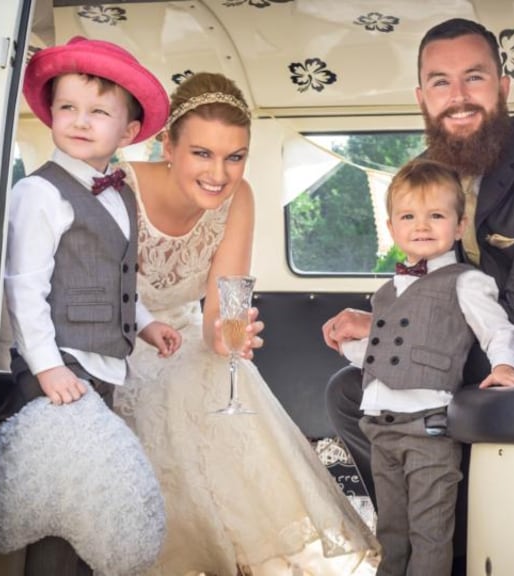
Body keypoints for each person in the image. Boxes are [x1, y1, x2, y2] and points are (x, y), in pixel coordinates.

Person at [320, 16, 514, 564]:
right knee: (354, 391)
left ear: (503, 87)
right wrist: (376, 322)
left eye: (475, 78)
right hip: (470, 338)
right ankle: (413, 530)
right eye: (440, 82)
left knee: (415, 388)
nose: (457, 97)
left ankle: (448, 546)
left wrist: (388, 329)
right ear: (421, 97)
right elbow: (420, 273)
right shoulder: (424, 173)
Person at [112, 71, 378, 576]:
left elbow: (222, 310)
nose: (219, 173)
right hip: (118, 340)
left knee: (219, 376)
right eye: (202, 153)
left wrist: (227, 335)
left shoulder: (240, 197)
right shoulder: (121, 189)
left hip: (188, 336)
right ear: (167, 145)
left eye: (234, 157)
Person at [0, 37, 182, 575]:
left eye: (98, 112)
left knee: (91, 509)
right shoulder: (39, 194)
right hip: (59, 369)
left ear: (127, 132)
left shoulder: (119, 192)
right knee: (62, 506)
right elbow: (23, 288)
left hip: (102, 368)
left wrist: (145, 324)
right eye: (67, 108)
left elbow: (114, 276)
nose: (80, 121)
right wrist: (48, 367)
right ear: (51, 114)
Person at [339, 159, 514, 576]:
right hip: (380, 424)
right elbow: (385, 355)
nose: (422, 226)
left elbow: (497, 329)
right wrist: (350, 347)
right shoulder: (385, 292)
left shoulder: (466, 281)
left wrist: (503, 365)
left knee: (430, 532)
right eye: (408, 216)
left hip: (427, 426)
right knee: (391, 530)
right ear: (392, 228)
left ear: (460, 225)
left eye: (436, 216)